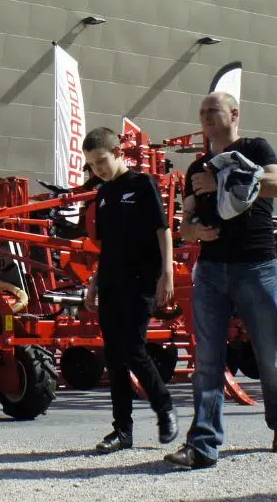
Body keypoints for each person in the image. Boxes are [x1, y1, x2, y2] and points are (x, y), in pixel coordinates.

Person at [165, 92, 277, 470]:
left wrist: (225, 177)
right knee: (207, 360)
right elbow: (186, 224)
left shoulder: (255, 148)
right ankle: (204, 444)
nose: (206, 117)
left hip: (256, 267)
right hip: (210, 271)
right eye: (202, 112)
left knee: (270, 353)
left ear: (234, 114)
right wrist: (196, 234)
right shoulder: (195, 169)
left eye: (213, 111)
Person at [81, 127, 179, 453]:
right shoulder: (103, 194)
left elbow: (162, 229)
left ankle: (164, 408)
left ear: (118, 152)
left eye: (102, 161)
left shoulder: (142, 185)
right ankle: (122, 431)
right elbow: (107, 245)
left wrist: (167, 271)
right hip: (110, 282)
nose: (99, 170)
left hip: (140, 281)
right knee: (114, 357)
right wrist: (94, 283)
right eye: (93, 165)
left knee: (134, 350)